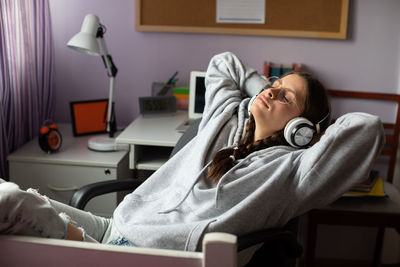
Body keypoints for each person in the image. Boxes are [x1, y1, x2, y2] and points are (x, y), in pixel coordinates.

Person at [0, 52, 384, 260]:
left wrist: (309, 136)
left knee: (14, 205)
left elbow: (365, 128)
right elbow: (223, 63)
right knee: (9, 193)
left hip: (146, 256)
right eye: (274, 85)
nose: (271, 92)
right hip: (115, 226)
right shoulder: (224, 118)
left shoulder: (295, 171)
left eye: (286, 96)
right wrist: (261, 92)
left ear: (301, 126)